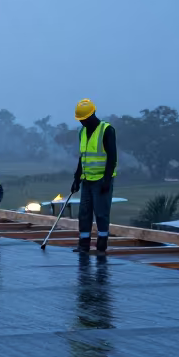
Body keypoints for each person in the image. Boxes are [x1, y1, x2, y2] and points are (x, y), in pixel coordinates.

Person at [70, 98, 118, 255]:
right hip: (87, 180)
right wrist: (77, 179)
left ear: (92, 116)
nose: (82, 123)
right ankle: (83, 246)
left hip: (101, 180)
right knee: (84, 213)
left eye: (84, 119)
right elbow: (82, 157)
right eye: (80, 120)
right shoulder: (82, 132)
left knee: (101, 213)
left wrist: (106, 179)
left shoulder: (107, 130)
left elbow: (112, 157)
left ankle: (101, 247)